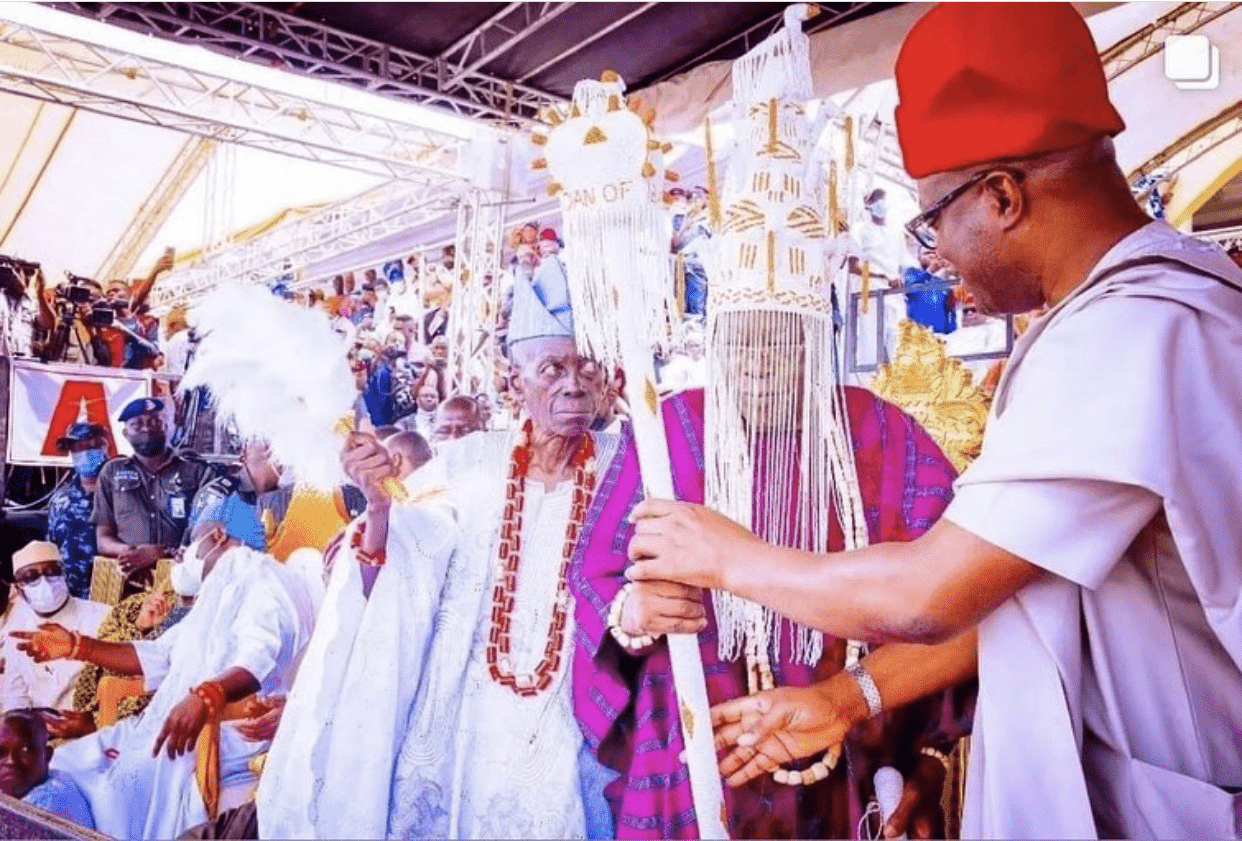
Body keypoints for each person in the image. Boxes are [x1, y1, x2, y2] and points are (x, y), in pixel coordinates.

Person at [624, 5, 1242, 839]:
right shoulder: (1122, 314)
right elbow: (1016, 587)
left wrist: (726, 554)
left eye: (931, 223)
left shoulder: (1134, 331)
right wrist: (845, 698)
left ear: (1000, 196)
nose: (935, 257)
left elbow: (930, 592)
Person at [257, 270, 619, 839]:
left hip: (572, 716)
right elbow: (400, 565)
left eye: (587, 370)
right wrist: (378, 506)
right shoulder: (467, 463)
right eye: (552, 369)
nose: (573, 385)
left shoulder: (629, 469)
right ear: (514, 379)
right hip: (460, 718)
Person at [14, 494, 316, 840]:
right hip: (172, 719)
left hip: (226, 728)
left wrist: (206, 697)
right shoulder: (217, 592)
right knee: (71, 761)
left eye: (192, 541)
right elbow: (159, 655)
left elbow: (258, 658)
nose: (185, 554)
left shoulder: (261, 577)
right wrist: (78, 647)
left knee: (115, 791)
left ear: (216, 536)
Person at [93, 398, 214, 586]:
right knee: (132, 616)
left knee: (177, 617)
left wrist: (162, 552)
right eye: (137, 424)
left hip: (182, 583)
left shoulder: (196, 471)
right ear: (126, 433)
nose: (146, 428)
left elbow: (209, 533)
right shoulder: (112, 472)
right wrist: (132, 552)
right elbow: (103, 538)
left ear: (166, 426)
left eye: (154, 422)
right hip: (127, 584)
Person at [2, 541, 109, 711]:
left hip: (93, 724)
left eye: (52, 572)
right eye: (31, 577)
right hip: (38, 727)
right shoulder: (16, 631)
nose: (44, 581)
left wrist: (92, 722)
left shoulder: (103, 616)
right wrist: (21, 723)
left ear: (64, 575)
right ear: (19, 589)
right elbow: (14, 694)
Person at [46, 422, 110, 599]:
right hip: (70, 597)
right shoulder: (60, 500)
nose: (84, 453)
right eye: (77, 448)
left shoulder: (121, 492)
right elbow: (52, 549)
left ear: (104, 446)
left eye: (90, 446)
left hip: (112, 592)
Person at [0, 710, 94, 828]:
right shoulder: (51, 779)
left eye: (25, 751)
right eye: (1, 753)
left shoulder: (46, 806)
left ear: (47, 755)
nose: (11, 761)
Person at [0, 259, 53, 358]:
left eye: (29, 274)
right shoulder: (1, 297)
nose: (24, 277)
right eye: (19, 271)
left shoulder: (32, 301)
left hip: (22, 362)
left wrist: (40, 294)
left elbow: (47, 324)